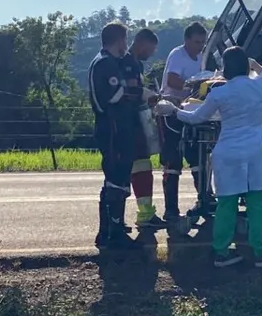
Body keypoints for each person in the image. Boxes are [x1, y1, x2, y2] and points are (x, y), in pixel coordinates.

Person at [175, 47, 262, 268]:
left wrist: (173, 111)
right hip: (255, 151)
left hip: (228, 151)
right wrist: (255, 65)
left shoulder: (219, 93)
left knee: (226, 204)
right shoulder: (259, 86)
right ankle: (260, 252)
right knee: (256, 204)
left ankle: (221, 252)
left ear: (225, 68)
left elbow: (196, 117)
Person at [88, 21, 156, 250]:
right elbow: (115, 95)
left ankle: (110, 229)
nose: (126, 45)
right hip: (112, 130)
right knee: (115, 180)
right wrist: (142, 93)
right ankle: (111, 233)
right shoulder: (105, 64)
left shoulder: (112, 62)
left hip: (120, 129)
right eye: (125, 40)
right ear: (118, 40)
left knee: (119, 180)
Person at [159, 21, 208, 223]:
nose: (200, 46)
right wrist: (193, 87)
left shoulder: (202, 57)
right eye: (197, 42)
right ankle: (171, 209)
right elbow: (172, 80)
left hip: (191, 110)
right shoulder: (178, 55)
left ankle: (203, 201)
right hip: (172, 111)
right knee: (172, 160)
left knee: (197, 158)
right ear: (187, 40)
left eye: (202, 43)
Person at [121, 28, 167, 230]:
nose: (152, 53)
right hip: (132, 123)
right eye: (151, 48)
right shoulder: (130, 63)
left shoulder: (133, 63)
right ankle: (145, 215)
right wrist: (149, 96)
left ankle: (145, 213)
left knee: (141, 167)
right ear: (141, 43)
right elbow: (132, 92)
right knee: (140, 167)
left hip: (132, 122)